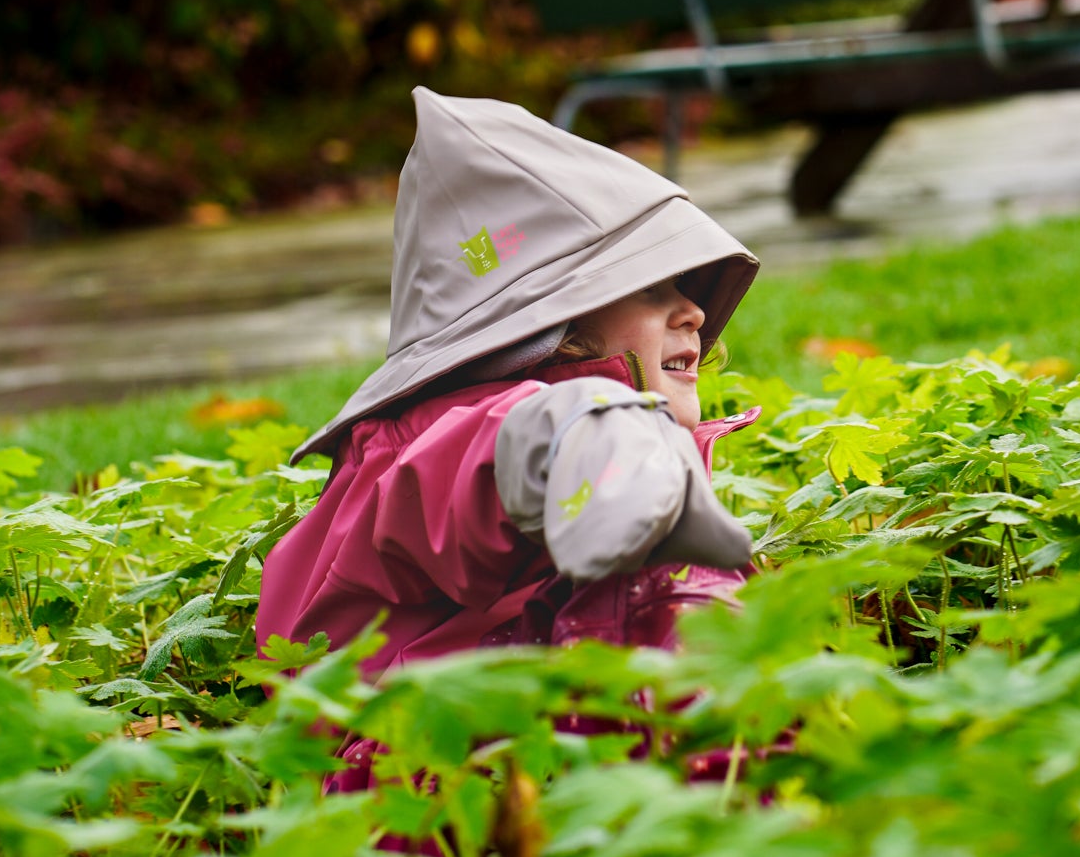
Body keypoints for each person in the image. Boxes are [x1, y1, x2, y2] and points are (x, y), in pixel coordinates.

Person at [256, 90, 762, 756]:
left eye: (685, 290)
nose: (692, 312)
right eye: (648, 288)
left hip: (527, 768)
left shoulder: (618, 449)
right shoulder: (431, 440)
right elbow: (480, 462)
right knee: (660, 584)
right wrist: (583, 431)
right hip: (426, 784)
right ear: (546, 331)